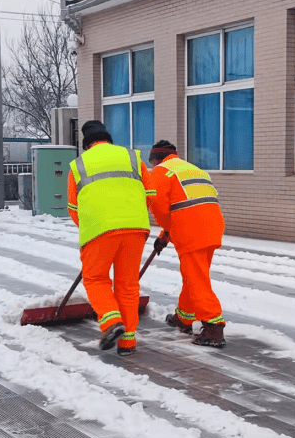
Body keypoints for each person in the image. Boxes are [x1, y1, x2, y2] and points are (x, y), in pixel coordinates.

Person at [67, 120, 153, 356]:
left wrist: (90, 227)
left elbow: (73, 209)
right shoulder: (133, 157)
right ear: (108, 138)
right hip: (135, 229)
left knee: (95, 279)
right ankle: (127, 343)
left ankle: (111, 321)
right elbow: (150, 194)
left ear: (86, 144)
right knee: (127, 285)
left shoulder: (78, 165)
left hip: (99, 230)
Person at [146, 140, 226, 347]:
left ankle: (213, 326)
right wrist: (165, 236)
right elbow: (185, 203)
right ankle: (184, 317)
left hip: (191, 230)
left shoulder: (161, 172)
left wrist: (167, 231)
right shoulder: (192, 169)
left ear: (155, 160)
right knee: (194, 274)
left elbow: (161, 209)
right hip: (213, 226)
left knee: (197, 278)